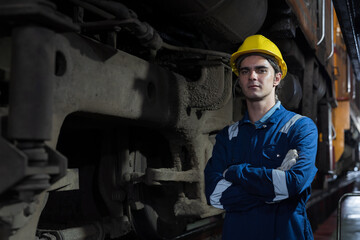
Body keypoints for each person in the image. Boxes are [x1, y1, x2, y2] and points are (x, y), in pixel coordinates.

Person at [204, 35, 318, 240]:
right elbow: (214, 195)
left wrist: (237, 173)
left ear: (277, 78)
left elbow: (294, 183)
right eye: (245, 71)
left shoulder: (300, 128)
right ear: (239, 79)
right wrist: (275, 190)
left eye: (261, 70)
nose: (252, 76)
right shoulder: (228, 136)